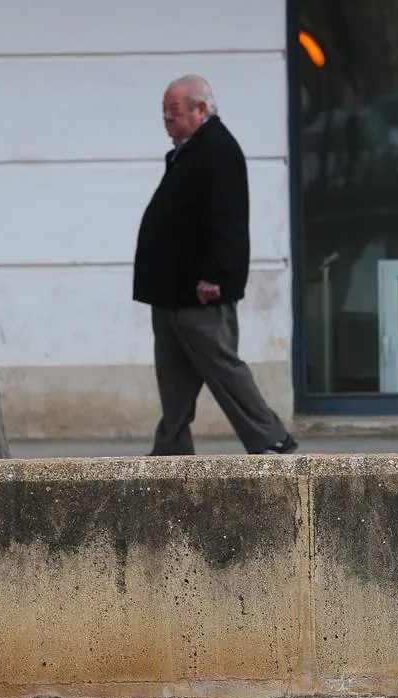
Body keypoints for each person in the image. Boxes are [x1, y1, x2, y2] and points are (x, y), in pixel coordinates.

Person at [133, 75, 298, 456]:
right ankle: (171, 449)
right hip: (171, 291)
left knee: (222, 367)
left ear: (201, 109)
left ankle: (270, 437)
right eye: (164, 111)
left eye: (174, 110)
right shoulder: (190, 151)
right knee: (173, 375)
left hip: (199, 291)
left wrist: (216, 276)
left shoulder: (217, 149)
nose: (167, 119)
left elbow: (229, 220)